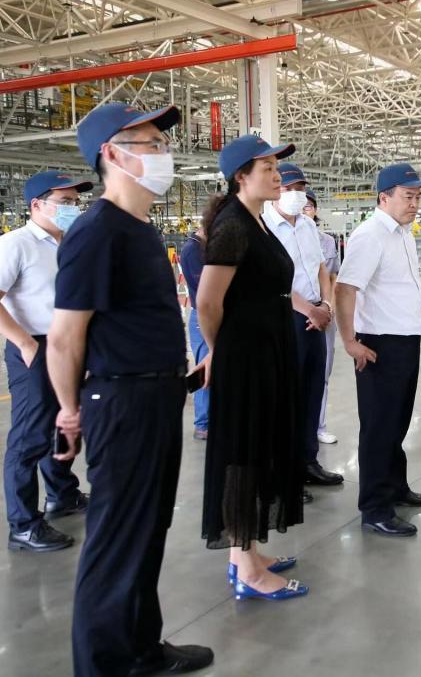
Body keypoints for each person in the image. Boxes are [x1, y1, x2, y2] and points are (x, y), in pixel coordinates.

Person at [46, 103, 213, 675]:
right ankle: (103, 664)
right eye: (149, 144)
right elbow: (65, 338)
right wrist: (69, 411)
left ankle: (141, 647)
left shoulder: (140, 229)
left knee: (148, 529)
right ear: (112, 155)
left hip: (157, 396)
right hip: (121, 401)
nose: (163, 153)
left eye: (162, 143)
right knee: (117, 536)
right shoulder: (96, 233)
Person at [196, 135, 308, 600]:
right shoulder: (233, 226)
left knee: (259, 448)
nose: (277, 175)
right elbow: (207, 302)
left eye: (276, 167)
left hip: (266, 350)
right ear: (240, 176)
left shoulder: (255, 222)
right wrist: (220, 349)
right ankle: (247, 570)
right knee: (243, 453)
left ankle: (245, 552)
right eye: (267, 168)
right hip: (246, 357)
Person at [0, 171, 91, 553]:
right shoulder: (15, 245)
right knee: (29, 437)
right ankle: (23, 525)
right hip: (35, 347)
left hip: (67, 345)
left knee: (64, 423)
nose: (73, 208)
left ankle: (62, 494)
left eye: (76, 202)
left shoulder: (70, 244)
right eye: (65, 202)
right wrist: (25, 344)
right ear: (37, 205)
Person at [335, 163, 421, 537]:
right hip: (380, 345)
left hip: (405, 341)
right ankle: (375, 508)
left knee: (397, 422)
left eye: (418, 197)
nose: (415, 204)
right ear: (384, 197)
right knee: (379, 427)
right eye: (408, 196)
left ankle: (396, 487)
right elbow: (345, 289)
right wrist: (350, 341)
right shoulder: (370, 235)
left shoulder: (403, 233)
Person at [265, 162, 343, 488]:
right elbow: (273, 281)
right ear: (275, 190)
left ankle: (308, 462)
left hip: (316, 317)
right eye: (289, 188)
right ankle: (284, 470)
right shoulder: (264, 228)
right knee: (286, 397)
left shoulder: (309, 227)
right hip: (286, 318)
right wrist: (310, 310)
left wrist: (326, 305)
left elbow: (322, 270)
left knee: (313, 390)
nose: (296, 194)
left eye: (300, 188)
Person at [307, 191, 341, 446]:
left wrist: (328, 307)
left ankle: (319, 426)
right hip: (298, 312)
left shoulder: (327, 242)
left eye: (309, 206)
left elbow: (333, 277)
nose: (304, 209)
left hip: (325, 312)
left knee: (323, 372)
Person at [179, 223, 209, 441]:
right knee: (204, 372)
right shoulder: (192, 250)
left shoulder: (205, 247)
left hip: (213, 315)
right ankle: (202, 423)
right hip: (203, 317)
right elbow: (204, 289)